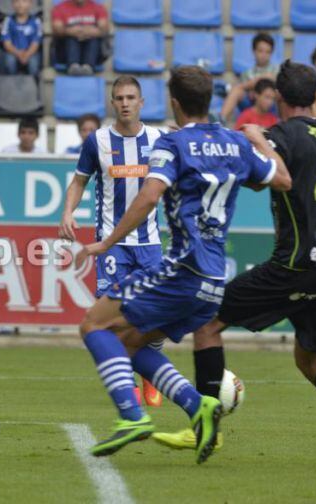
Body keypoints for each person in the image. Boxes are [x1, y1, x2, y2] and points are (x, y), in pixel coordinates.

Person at [73, 65, 291, 463]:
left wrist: (106, 241)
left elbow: (149, 198)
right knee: (131, 342)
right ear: (208, 100)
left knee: (94, 323)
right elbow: (281, 180)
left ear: (174, 101)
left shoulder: (172, 144)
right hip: (214, 280)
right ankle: (199, 406)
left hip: (182, 268)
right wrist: (259, 141)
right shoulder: (237, 145)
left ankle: (132, 417)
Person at [152, 61, 316, 449]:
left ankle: (205, 427)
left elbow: (259, 178)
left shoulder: (281, 134)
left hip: (296, 264)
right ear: (315, 97)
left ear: (281, 98)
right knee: (309, 359)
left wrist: (258, 140)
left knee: (207, 325)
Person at [60, 76, 164, 407]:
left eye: (131, 97)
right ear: (112, 102)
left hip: (149, 243)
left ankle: (151, 373)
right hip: (111, 243)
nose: (125, 103)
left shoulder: (160, 140)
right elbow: (78, 182)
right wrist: (67, 212)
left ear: (142, 102)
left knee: (156, 315)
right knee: (110, 317)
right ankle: (129, 381)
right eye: (119, 97)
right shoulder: (98, 141)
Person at [220, 33, 279, 124]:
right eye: (260, 51)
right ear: (254, 51)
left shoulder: (277, 70)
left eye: (268, 52)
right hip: (251, 103)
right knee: (237, 90)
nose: (264, 55)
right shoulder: (247, 73)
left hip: (271, 104)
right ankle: (221, 119)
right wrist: (257, 82)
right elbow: (241, 89)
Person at [51, 0, 108, 76]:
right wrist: (70, 31)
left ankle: (88, 66)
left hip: (91, 46)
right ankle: (73, 65)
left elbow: (104, 29)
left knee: (94, 39)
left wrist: (85, 31)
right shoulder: (60, 7)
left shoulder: (97, 7)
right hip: (66, 50)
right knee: (70, 37)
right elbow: (57, 29)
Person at [0, 0, 42, 76]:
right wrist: (18, 54)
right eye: (17, 1)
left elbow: (36, 43)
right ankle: (11, 85)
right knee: (9, 62)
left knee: (34, 64)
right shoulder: (8, 20)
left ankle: (34, 86)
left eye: (24, 1)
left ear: (30, 3)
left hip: (31, 53)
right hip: (13, 52)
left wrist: (27, 54)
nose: (20, 4)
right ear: (12, 4)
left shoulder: (36, 21)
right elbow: (7, 44)